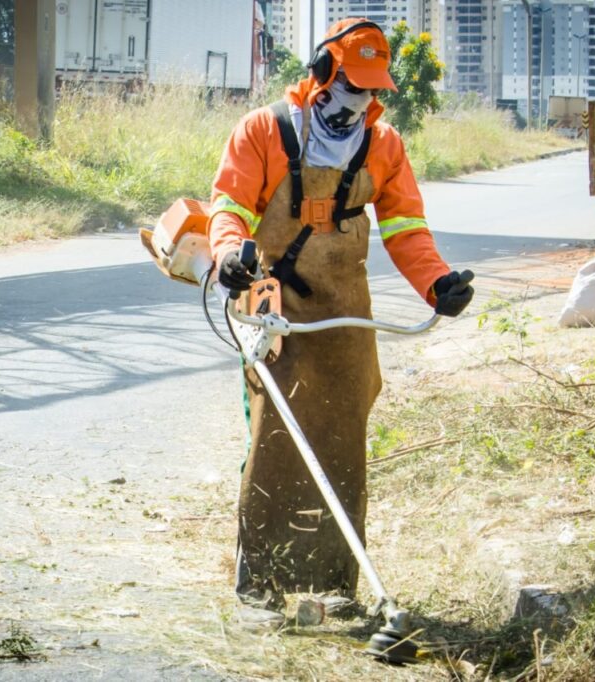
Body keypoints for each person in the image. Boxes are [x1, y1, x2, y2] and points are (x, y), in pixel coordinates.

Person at [208, 17, 474, 626]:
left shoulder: (383, 146)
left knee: (344, 435)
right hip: (274, 303)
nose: (360, 100)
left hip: (347, 309)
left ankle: (334, 586)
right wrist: (230, 253)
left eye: (371, 90)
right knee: (276, 432)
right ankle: (261, 587)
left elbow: (407, 228)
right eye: (351, 85)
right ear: (323, 74)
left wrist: (438, 283)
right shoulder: (265, 129)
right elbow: (228, 205)